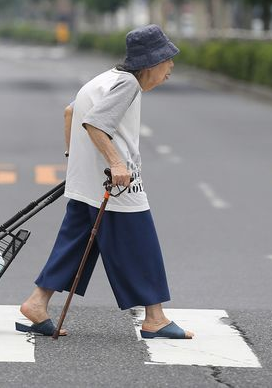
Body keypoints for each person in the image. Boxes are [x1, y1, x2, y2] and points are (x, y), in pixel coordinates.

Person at [17, 24, 194, 340]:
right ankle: (154, 317)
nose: (170, 69)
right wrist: (115, 162)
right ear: (151, 63)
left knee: (77, 243)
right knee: (142, 243)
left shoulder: (104, 79)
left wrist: (76, 160)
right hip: (115, 183)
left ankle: (36, 302)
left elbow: (70, 112)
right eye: (168, 61)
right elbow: (95, 124)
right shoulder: (127, 85)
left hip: (88, 182)